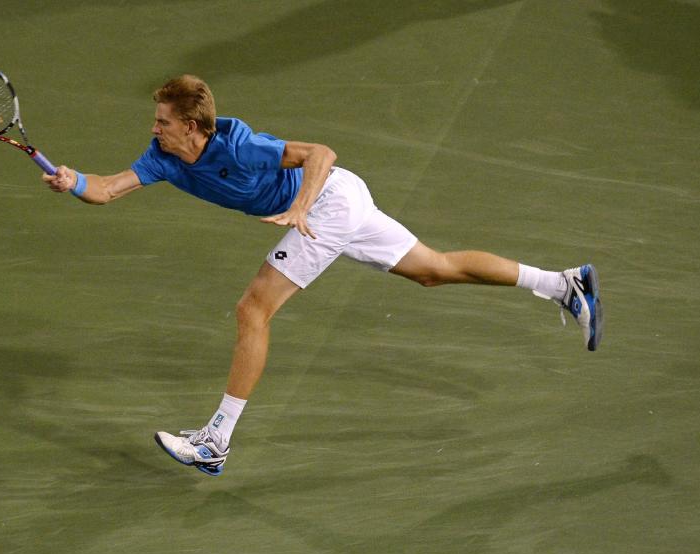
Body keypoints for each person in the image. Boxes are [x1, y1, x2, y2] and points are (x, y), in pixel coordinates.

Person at [42, 75, 603, 476]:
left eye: (162, 121)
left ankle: (215, 442)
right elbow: (109, 188)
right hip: (343, 203)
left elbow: (322, 153)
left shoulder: (240, 144)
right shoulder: (162, 156)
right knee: (434, 269)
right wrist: (73, 182)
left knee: (252, 309)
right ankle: (564, 284)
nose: (153, 127)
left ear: (192, 125)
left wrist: (302, 207)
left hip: (330, 202)